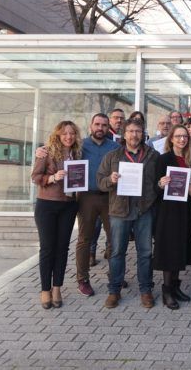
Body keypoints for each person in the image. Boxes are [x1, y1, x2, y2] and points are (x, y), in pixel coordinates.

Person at [98, 118, 159, 309]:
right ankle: (114, 291)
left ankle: (146, 290)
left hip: (144, 210)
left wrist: (157, 189)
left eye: (138, 131)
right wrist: (110, 179)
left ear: (143, 134)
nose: (135, 135)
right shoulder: (112, 156)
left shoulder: (153, 155)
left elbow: (158, 182)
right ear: (124, 134)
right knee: (117, 252)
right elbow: (100, 181)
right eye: (131, 131)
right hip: (119, 210)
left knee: (145, 252)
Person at [31, 120, 82, 309]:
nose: (68, 137)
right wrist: (52, 178)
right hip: (47, 205)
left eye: (72, 133)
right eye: (64, 134)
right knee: (47, 249)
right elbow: (35, 177)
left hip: (69, 206)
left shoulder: (77, 153)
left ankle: (57, 287)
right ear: (58, 135)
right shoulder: (46, 152)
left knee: (62, 249)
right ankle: (45, 290)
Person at [75, 114, 119, 297]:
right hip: (87, 197)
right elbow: (60, 153)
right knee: (85, 239)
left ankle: (115, 275)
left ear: (109, 128)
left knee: (113, 239)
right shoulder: (80, 146)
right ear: (91, 125)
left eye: (104, 125)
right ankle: (83, 279)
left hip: (110, 197)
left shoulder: (115, 147)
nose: (100, 128)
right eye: (97, 124)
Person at [154, 125, 191, 309]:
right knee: (169, 250)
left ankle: (176, 287)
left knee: (180, 249)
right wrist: (161, 184)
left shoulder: (189, 160)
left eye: (185, 136)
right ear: (171, 139)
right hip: (169, 211)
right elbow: (155, 186)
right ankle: (167, 291)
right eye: (178, 136)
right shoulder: (163, 159)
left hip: (184, 210)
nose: (182, 139)